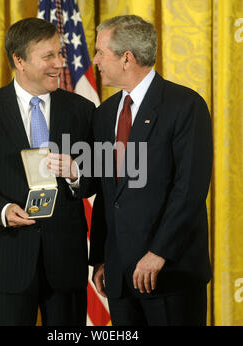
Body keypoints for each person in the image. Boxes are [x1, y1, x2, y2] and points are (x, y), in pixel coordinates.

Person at [0, 18, 95, 326]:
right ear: (19, 60)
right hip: (8, 259)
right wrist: (3, 210)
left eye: (60, 54)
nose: (60, 63)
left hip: (66, 262)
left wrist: (75, 173)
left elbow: (96, 178)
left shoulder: (82, 110)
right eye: (49, 56)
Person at [89, 15, 213, 326]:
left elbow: (190, 190)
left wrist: (159, 253)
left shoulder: (185, 105)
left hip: (170, 275)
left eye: (101, 52)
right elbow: (109, 193)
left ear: (127, 58)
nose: (96, 61)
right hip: (119, 278)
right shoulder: (105, 114)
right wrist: (103, 259)